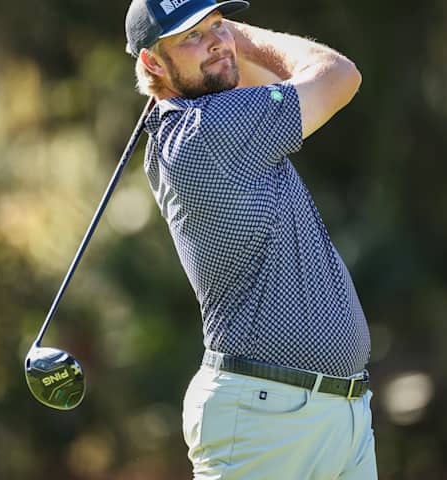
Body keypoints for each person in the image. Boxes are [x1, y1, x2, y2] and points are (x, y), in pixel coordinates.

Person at [124, 0, 375, 478]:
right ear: (152, 62)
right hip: (265, 421)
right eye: (191, 36)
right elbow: (338, 75)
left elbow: (262, 80)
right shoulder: (208, 130)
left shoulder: (206, 117)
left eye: (217, 24)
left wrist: (214, 45)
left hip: (339, 413)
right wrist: (238, 34)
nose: (216, 41)